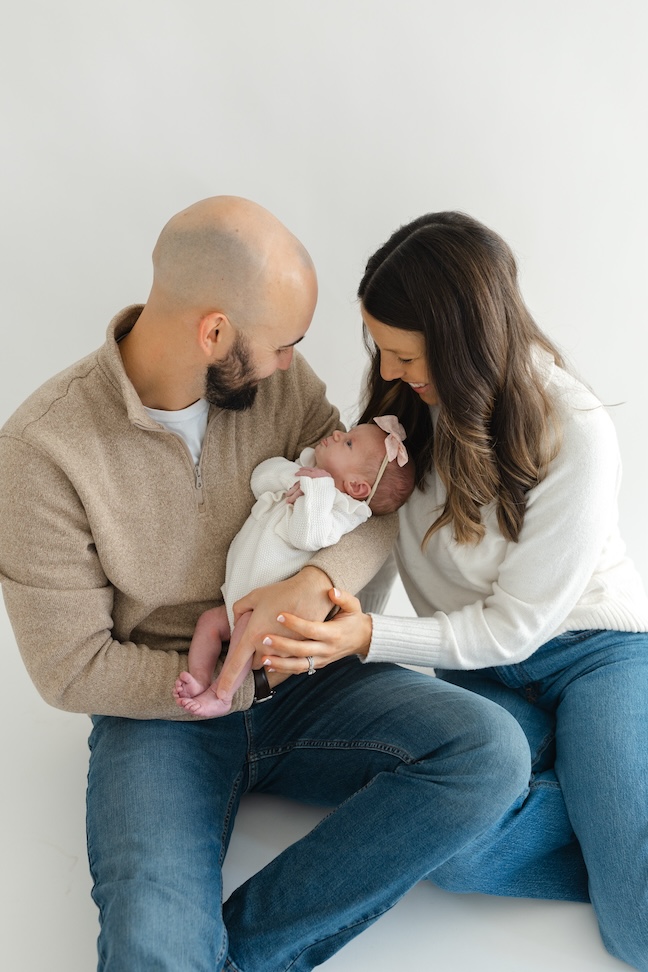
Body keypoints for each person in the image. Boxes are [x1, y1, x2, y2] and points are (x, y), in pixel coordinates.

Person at [0, 197, 532, 972]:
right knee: (152, 943)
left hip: (313, 681)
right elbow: (69, 668)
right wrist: (234, 680)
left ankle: (241, 956)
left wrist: (315, 580)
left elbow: (371, 512)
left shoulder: (280, 387)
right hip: (166, 711)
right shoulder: (42, 452)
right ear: (214, 333)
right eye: (283, 345)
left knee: (490, 752)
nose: (291, 364)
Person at [249, 211, 648, 972]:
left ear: (465, 338)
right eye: (380, 349)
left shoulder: (575, 431)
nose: (389, 370)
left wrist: (370, 638)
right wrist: (329, 615)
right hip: (480, 665)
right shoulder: (406, 412)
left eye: (405, 353)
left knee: (637, 926)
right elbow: (377, 532)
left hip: (591, 653)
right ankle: (610, 822)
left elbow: (516, 627)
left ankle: (620, 837)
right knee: (455, 849)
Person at [174, 416, 415, 718]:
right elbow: (260, 479)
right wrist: (297, 478)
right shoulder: (304, 468)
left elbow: (307, 536)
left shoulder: (341, 510)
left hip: (268, 607)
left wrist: (318, 489)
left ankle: (223, 693)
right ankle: (199, 679)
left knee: (245, 633)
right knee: (209, 622)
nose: (337, 434)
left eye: (348, 443)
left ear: (356, 486)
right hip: (238, 594)